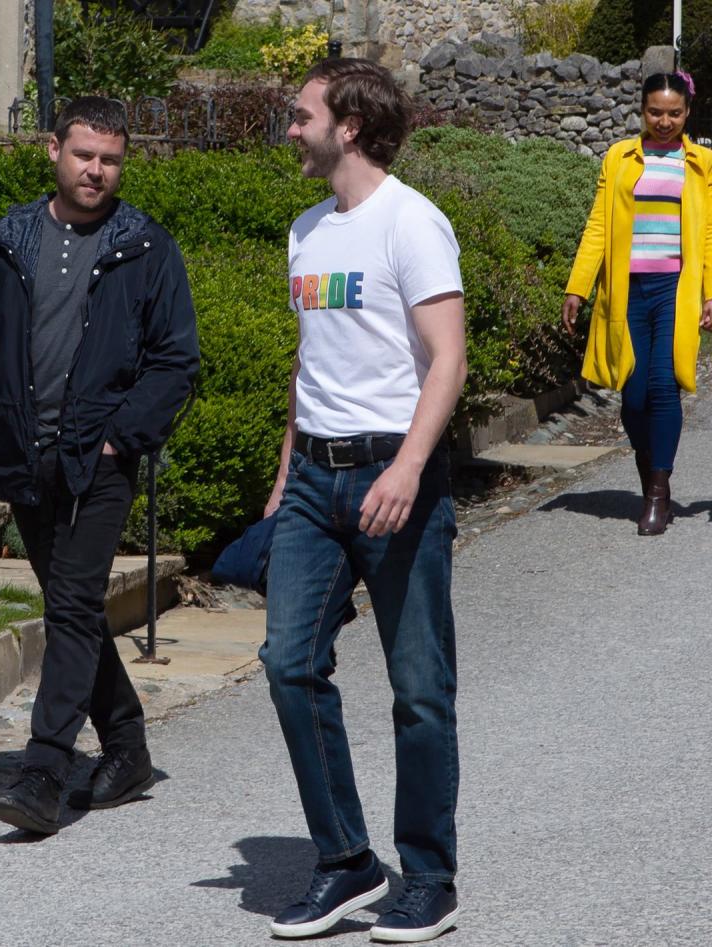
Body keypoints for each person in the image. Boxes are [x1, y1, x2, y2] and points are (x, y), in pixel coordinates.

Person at [0, 96, 199, 834]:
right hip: (21, 454)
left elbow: (176, 361)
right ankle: (127, 749)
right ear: (52, 151)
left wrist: (120, 436)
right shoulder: (7, 240)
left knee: (69, 603)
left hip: (99, 460)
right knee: (74, 610)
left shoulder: (147, 247)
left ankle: (43, 769)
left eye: (110, 159)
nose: (96, 170)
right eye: (84, 155)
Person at [260, 58, 467, 943]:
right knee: (287, 661)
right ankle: (347, 861)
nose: (291, 128)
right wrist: (281, 481)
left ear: (347, 124)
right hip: (313, 479)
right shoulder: (307, 232)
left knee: (419, 687)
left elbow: (448, 358)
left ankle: (428, 876)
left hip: (395, 476)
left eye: (301, 114)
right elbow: (311, 369)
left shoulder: (412, 223)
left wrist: (410, 468)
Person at [563, 71, 712, 536]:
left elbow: (707, 234)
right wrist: (578, 286)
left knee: (663, 386)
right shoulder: (620, 157)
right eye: (655, 112)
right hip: (626, 289)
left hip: (675, 288)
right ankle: (651, 474)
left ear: (687, 113)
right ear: (641, 111)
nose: (664, 121)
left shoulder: (702, 163)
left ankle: (657, 494)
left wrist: (710, 292)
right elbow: (599, 225)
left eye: (674, 113)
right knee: (633, 393)